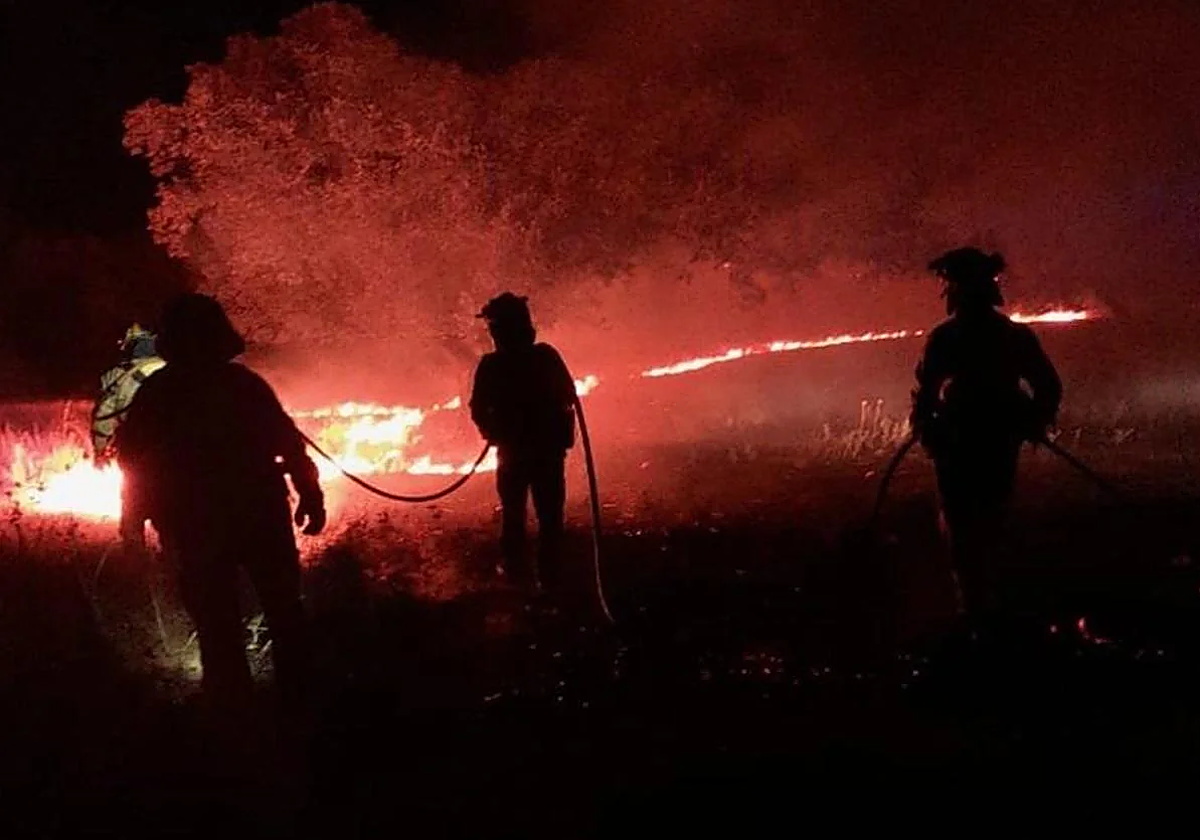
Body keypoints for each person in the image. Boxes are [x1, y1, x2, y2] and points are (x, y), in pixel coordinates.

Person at [116, 293, 326, 709]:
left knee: (225, 618)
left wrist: (134, 521)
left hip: (201, 518)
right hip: (248, 512)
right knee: (275, 610)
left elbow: (134, 462)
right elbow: (288, 445)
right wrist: (309, 495)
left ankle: (239, 706)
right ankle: (291, 703)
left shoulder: (161, 392)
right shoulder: (241, 385)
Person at [910, 248, 1062, 624]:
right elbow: (1047, 386)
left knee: (968, 518)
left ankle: (979, 600)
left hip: (970, 438)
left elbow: (927, 393)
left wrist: (928, 424)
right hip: (986, 437)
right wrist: (1032, 418)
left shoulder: (949, 338)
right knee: (984, 513)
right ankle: (982, 599)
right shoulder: (1012, 336)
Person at [469, 293, 577, 591]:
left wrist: (491, 431)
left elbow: (478, 409)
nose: (491, 332)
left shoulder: (493, 365)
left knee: (517, 516)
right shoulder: (545, 357)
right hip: (544, 453)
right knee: (547, 517)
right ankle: (547, 579)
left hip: (517, 453)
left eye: (494, 326)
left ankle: (524, 579)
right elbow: (568, 394)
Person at [90, 324, 166, 466]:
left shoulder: (118, 376)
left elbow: (103, 416)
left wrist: (100, 451)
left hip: (138, 453)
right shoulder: (177, 371)